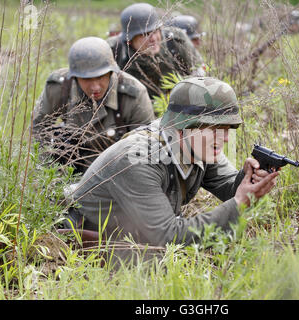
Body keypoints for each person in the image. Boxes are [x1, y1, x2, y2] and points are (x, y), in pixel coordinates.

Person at [65, 77, 279, 247]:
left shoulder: (198, 144)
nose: (224, 138)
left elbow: (231, 189)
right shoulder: (139, 160)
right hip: (82, 240)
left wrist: (248, 180)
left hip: (129, 239)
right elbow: (167, 237)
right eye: (215, 130)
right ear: (183, 126)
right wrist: (239, 203)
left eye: (227, 130)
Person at [33, 36, 155, 173]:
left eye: (100, 77)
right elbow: (38, 129)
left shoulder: (134, 95)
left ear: (111, 72)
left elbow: (145, 151)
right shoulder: (59, 88)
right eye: (87, 79)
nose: (95, 87)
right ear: (75, 77)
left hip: (116, 175)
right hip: (67, 173)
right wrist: (46, 174)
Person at [106, 3, 205, 99]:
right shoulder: (114, 50)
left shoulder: (176, 41)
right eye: (145, 34)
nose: (153, 38)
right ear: (130, 40)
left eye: (155, 31)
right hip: (135, 109)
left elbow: (198, 71)